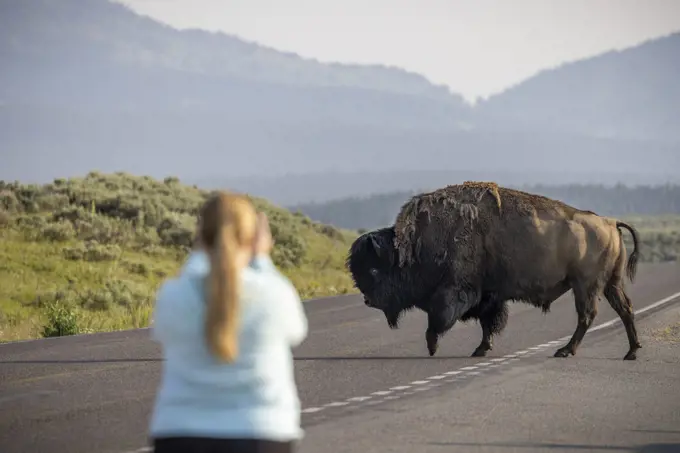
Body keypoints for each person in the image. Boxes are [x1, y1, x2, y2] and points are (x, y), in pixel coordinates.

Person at [148, 191, 308, 453]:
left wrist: (200, 252)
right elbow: (297, 331)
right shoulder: (275, 293)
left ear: (201, 237)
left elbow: (162, 329)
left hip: (179, 433)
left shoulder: (172, 295)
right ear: (253, 239)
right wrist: (263, 261)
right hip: (261, 432)